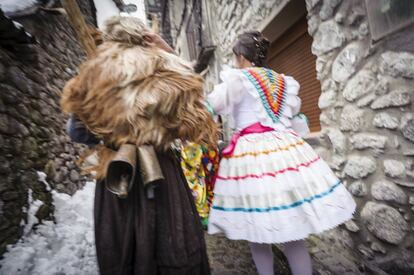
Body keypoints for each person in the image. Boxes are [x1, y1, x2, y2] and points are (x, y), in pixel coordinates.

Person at [62, 16, 217, 275]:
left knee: (121, 252)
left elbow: (75, 131)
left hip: (116, 173)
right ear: (145, 37)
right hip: (163, 172)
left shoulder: (94, 70)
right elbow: (198, 116)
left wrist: (113, 138)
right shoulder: (166, 67)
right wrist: (166, 50)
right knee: (174, 246)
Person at [207, 31, 356, 275]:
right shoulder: (284, 81)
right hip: (286, 151)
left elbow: (214, 105)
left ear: (242, 56)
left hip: (252, 156)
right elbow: (296, 118)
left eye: (236, 56)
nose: (235, 61)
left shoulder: (237, 78)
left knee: (257, 228)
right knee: (294, 229)